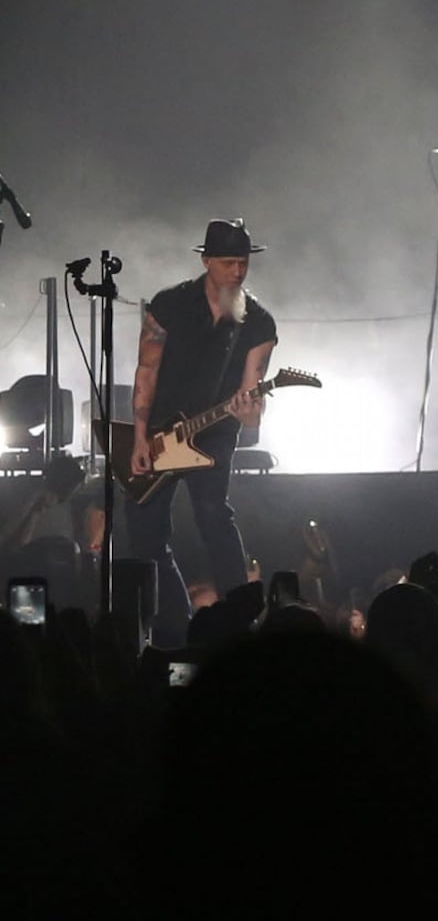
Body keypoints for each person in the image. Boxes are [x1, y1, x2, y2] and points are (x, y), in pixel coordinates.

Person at [119, 219, 283, 637]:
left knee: (214, 516)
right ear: (207, 260)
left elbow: (252, 397)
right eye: (229, 262)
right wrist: (139, 435)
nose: (238, 272)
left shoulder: (258, 324)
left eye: (243, 263)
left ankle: (238, 622)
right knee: (145, 533)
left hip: (214, 432)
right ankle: (175, 623)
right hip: (159, 429)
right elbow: (147, 371)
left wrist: (250, 413)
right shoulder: (170, 305)